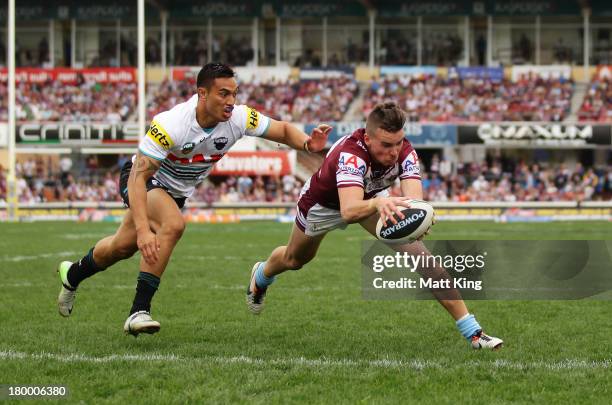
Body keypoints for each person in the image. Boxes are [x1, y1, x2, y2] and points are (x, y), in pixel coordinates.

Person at [56, 63, 331, 336]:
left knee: (120, 248)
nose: (231, 102)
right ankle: (138, 311)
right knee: (173, 225)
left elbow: (281, 130)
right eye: (223, 94)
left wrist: (308, 143)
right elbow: (138, 177)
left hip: (174, 193)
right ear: (202, 93)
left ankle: (72, 275)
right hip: (141, 181)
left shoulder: (239, 118)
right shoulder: (171, 124)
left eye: (234, 94)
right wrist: (142, 230)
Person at [246, 102, 503, 350]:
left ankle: (474, 334)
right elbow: (349, 210)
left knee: (425, 261)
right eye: (386, 145)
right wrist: (378, 204)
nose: (394, 152)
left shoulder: (406, 153)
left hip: (373, 201)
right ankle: (262, 274)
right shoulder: (351, 155)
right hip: (324, 205)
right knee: (295, 260)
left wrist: (416, 221)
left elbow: (413, 202)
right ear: (368, 140)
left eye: (398, 143)